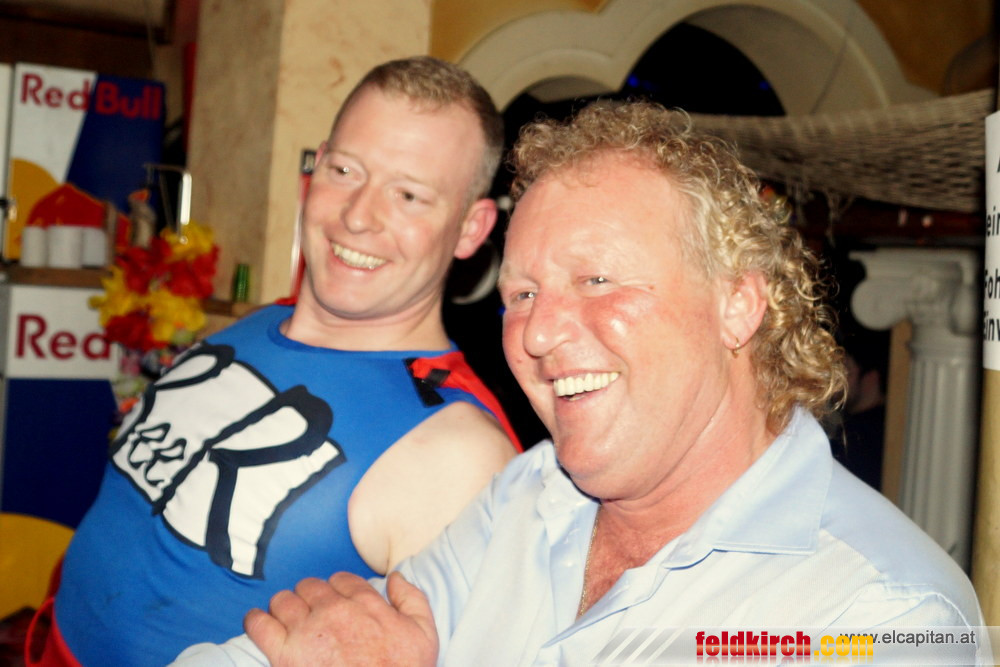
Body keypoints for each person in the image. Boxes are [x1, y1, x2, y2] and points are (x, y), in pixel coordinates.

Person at [174, 100, 987, 666]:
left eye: (597, 279)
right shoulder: (526, 496)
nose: (535, 333)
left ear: (738, 304)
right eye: (522, 294)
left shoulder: (885, 617)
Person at [29, 56, 521, 667]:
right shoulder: (263, 323)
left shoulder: (461, 454)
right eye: (345, 170)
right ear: (314, 172)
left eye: (409, 195)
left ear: (471, 228)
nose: (358, 216)